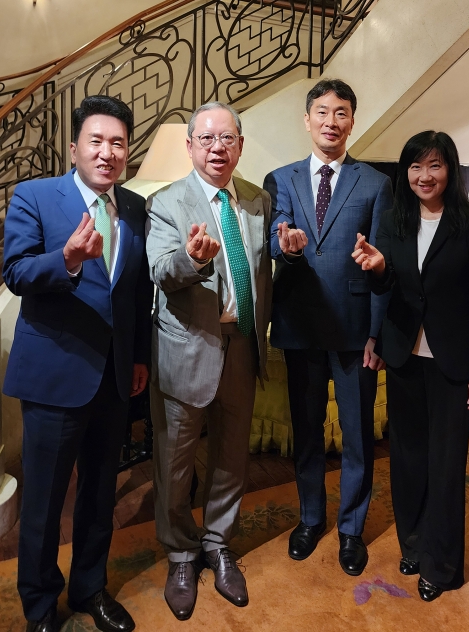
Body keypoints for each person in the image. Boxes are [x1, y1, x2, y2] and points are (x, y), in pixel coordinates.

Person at [2, 96, 152, 632]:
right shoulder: (36, 197)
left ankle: (90, 587)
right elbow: (16, 272)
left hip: (113, 379)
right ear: (75, 148)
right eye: (97, 140)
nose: (107, 152)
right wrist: (66, 259)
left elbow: (135, 292)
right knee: (43, 502)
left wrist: (138, 358)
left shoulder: (134, 207)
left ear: (127, 151)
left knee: (99, 494)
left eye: (118, 142)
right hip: (55, 375)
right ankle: (40, 606)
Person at [353, 130, 469, 601]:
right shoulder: (395, 221)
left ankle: (442, 564)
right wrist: (377, 272)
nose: (424, 175)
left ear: (450, 169)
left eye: (434, 165)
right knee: (409, 459)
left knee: (446, 465)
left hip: (453, 362)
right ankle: (413, 542)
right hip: (402, 356)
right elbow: (388, 288)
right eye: (415, 166)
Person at [146, 102, 272, 621]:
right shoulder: (165, 202)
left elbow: (266, 271)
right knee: (174, 465)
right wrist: (193, 259)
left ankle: (219, 544)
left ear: (240, 145)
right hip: (187, 348)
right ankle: (181, 553)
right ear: (191, 145)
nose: (217, 147)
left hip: (242, 346)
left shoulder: (260, 202)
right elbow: (159, 269)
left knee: (230, 457)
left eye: (228, 138)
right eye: (207, 138)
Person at [263, 79, 393, 576]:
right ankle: (311, 518)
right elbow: (276, 244)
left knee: (359, 435)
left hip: (356, 331)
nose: (331, 121)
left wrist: (377, 334)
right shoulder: (282, 179)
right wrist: (287, 246)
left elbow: (380, 265)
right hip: (300, 325)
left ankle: (352, 530)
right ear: (307, 119)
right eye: (322, 111)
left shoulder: (376, 183)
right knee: (307, 431)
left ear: (352, 122)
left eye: (341, 113)